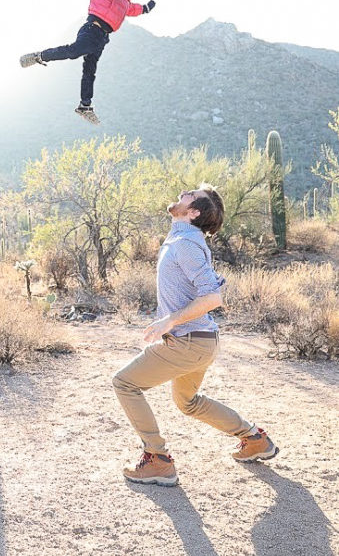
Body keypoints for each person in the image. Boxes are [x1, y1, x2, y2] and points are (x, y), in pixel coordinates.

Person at [112, 184, 279, 486]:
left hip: (188, 342)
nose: (181, 194)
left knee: (124, 383)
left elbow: (213, 297)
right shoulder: (182, 238)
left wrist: (170, 321)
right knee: (187, 402)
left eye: (188, 196)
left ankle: (157, 460)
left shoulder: (186, 243)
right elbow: (208, 285)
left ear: (193, 212)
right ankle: (254, 439)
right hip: (200, 341)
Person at [19, 0, 155, 125]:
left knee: (90, 71)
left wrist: (145, 8)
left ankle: (85, 106)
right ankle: (40, 56)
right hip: (92, 28)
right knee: (74, 51)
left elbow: (130, 10)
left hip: (102, 37)